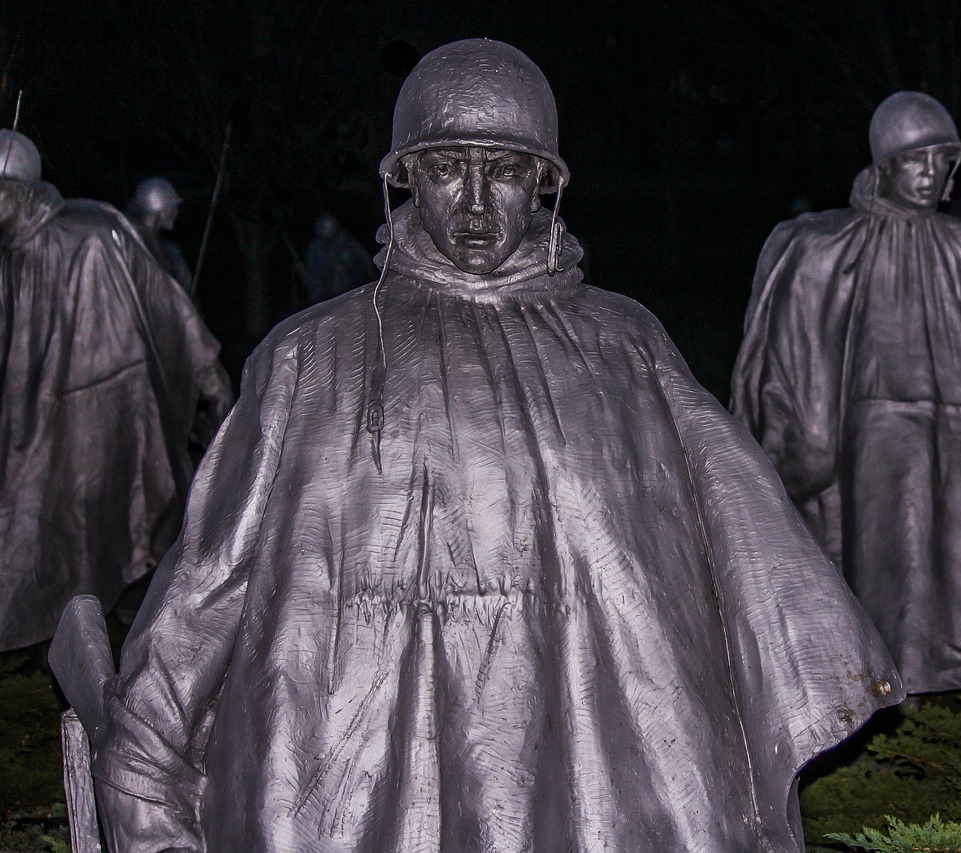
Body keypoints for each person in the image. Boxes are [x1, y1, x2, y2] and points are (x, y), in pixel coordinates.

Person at [75, 39, 901, 852]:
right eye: (444, 168)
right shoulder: (310, 360)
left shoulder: (625, 349)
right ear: (403, 176)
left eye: (504, 171)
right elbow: (204, 595)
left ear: (546, 181)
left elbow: (733, 582)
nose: (473, 205)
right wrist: (145, 789)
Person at [731, 92, 961, 696]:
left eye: (943, 162)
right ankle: (882, 667)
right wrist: (801, 442)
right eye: (917, 160)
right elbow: (797, 350)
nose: (931, 175)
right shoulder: (827, 244)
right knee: (897, 540)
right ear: (884, 164)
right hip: (869, 423)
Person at [0, 131, 232, 652]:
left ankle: (153, 643)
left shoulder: (93, 233)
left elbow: (171, 312)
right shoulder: (10, 256)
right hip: (38, 426)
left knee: (130, 523)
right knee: (50, 530)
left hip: (119, 414)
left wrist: (211, 381)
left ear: (23, 190)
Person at [127, 176, 193, 292]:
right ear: (163, 212)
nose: (176, 212)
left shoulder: (129, 241)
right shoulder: (160, 250)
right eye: (173, 208)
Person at [301, 213, 376, 305]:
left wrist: (372, 279)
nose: (327, 231)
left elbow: (364, 260)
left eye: (329, 227)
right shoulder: (315, 249)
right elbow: (314, 272)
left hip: (351, 290)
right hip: (327, 295)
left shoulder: (346, 242)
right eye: (324, 228)